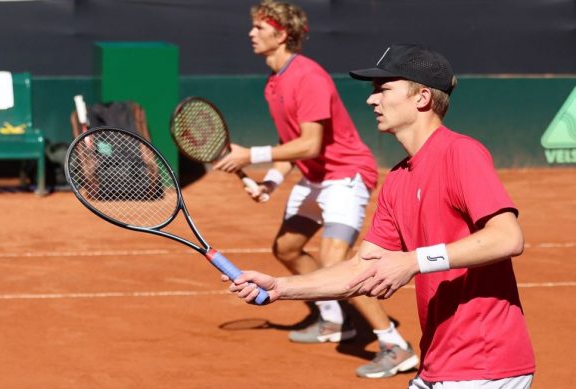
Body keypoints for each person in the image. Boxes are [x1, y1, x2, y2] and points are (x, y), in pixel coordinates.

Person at [224, 43, 536, 388]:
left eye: (384, 89)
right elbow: (361, 268)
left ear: (421, 99)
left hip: (484, 367)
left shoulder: (460, 153)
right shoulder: (399, 179)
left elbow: (508, 237)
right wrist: (281, 287)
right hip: (440, 364)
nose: (372, 100)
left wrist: (413, 261)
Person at [213, 0, 418, 378]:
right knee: (287, 248)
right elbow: (289, 142)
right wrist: (270, 182)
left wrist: (249, 156)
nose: (251, 33)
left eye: (260, 27)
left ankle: (394, 343)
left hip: (345, 175)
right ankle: (335, 319)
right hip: (315, 177)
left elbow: (310, 144)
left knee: (335, 261)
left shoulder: (307, 76)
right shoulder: (274, 84)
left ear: (282, 33)